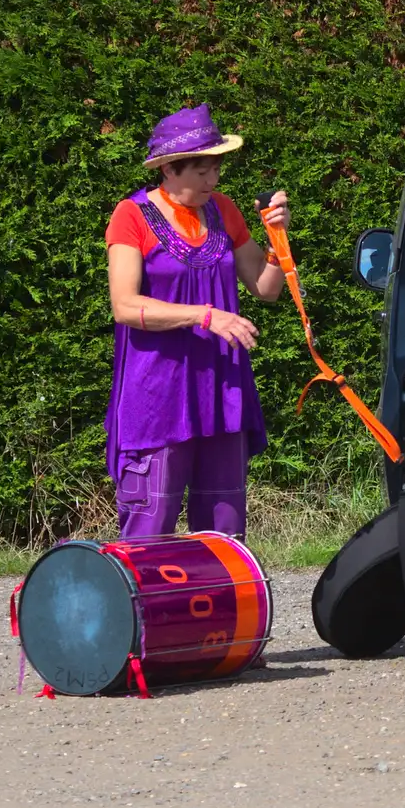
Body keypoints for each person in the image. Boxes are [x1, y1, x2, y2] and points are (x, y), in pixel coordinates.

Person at [103, 103, 290, 539]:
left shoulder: (223, 210)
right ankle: (143, 608)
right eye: (202, 171)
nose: (213, 180)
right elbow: (125, 306)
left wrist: (278, 239)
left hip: (221, 390)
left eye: (216, 169)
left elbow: (266, 288)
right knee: (148, 531)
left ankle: (222, 607)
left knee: (223, 533)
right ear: (169, 169)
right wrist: (204, 316)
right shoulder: (131, 215)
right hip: (157, 395)